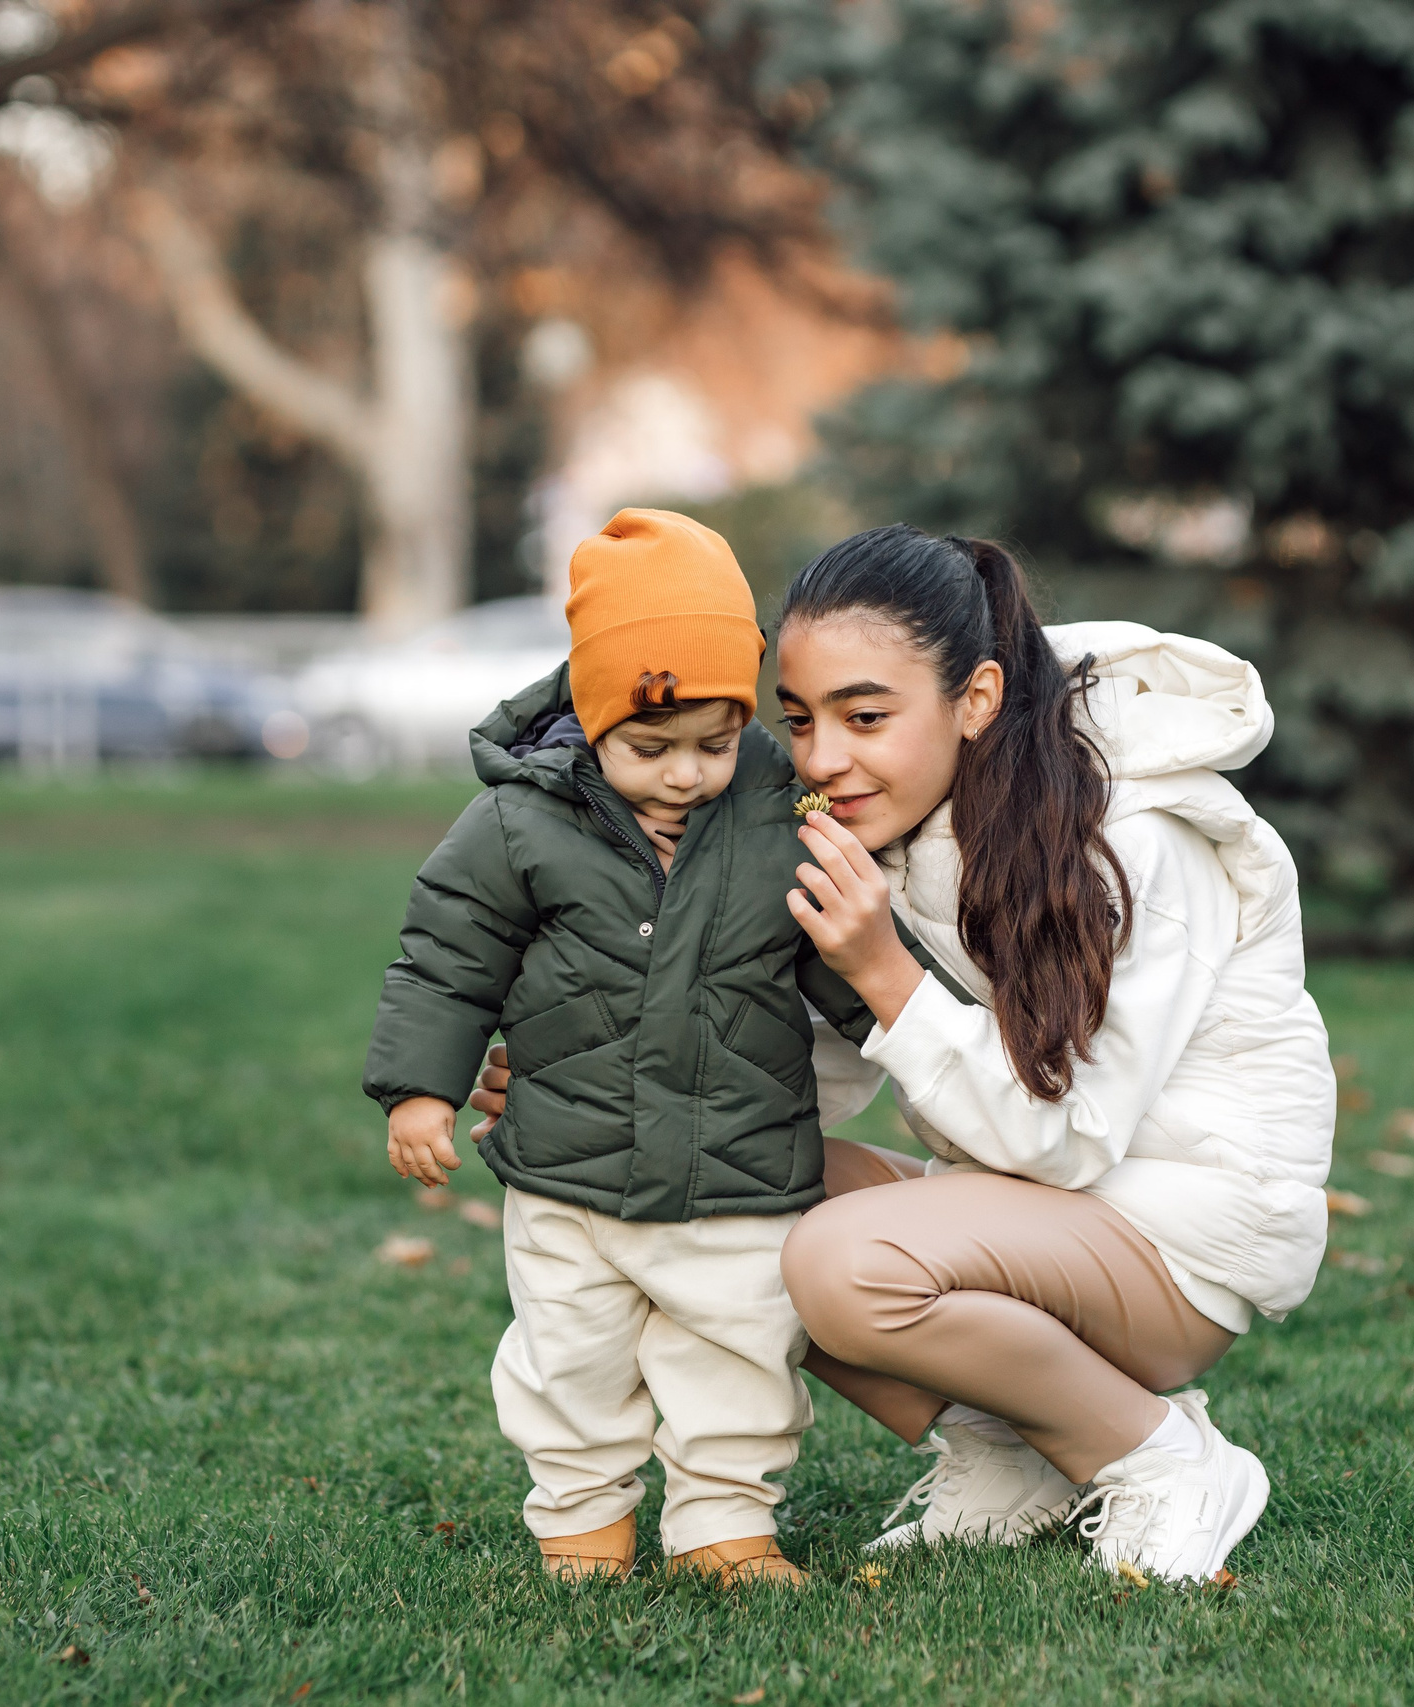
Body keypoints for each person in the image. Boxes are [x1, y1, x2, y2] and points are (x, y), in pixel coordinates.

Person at [473, 522, 1335, 1583]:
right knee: (727, 1185)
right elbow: (786, 1072)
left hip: (1181, 1245)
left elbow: (1070, 1140)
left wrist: (883, 968)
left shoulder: (1139, 838)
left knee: (840, 1264)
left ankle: (1161, 1457)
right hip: (1035, 1217)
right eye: (799, 720)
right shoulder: (905, 830)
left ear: (976, 698)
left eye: (866, 716)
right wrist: (594, 1080)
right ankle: (1014, 1456)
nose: (822, 759)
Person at [363, 509, 869, 1588]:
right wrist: (419, 1090)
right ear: (594, 716)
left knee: (738, 1351)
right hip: (567, 1171)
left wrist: (907, 1021)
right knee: (569, 1357)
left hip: (738, 1164)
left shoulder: (781, 810)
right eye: (651, 747)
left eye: (714, 744)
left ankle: (723, 1525)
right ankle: (582, 1522)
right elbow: (446, 957)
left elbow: (843, 953)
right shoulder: (519, 823)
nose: (685, 774)